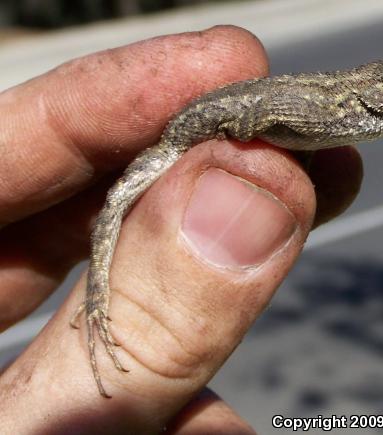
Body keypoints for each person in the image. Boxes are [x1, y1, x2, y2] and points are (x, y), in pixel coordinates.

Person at [0, 25, 362, 433]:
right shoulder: (338, 104)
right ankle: (98, 303)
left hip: (212, 143)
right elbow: (262, 115)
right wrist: (238, 130)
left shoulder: (345, 106)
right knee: (113, 207)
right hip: (178, 142)